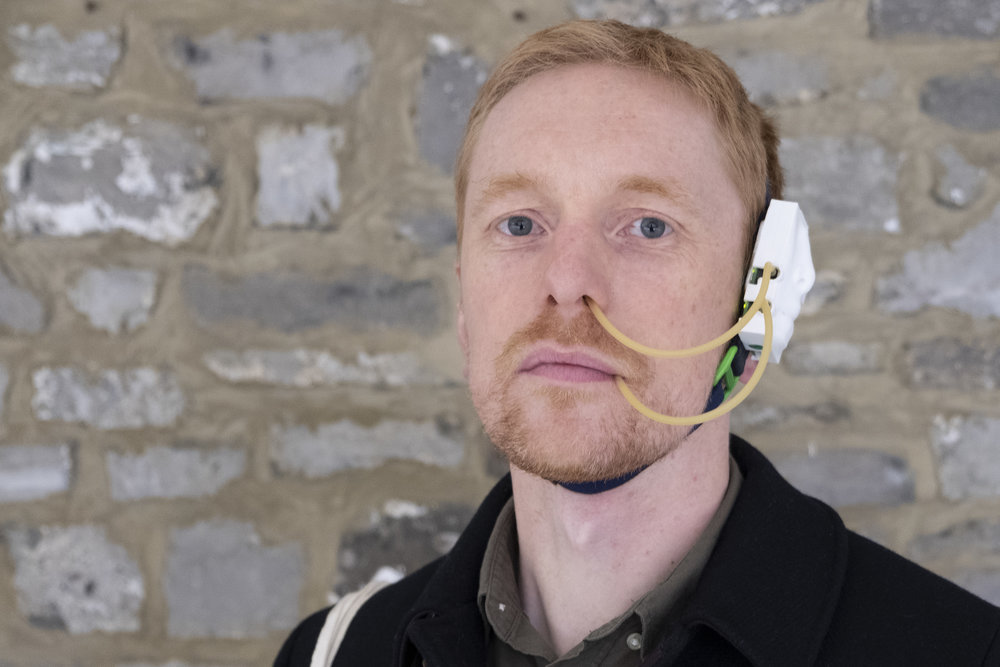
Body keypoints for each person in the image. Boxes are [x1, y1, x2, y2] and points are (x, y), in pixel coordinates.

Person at [275, 19, 1000, 666]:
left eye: (648, 225)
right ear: (466, 301)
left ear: (760, 301)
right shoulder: (333, 651)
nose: (566, 281)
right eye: (521, 223)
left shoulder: (962, 650)